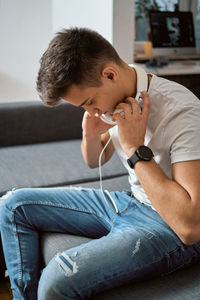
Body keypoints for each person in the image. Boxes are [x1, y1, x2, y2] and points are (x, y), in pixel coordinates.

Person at [1, 27, 200, 300]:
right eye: (82, 107)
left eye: (90, 102)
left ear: (110, 74)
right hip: (130, 201)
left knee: (56, 280)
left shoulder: (182, 110)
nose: (92, 111)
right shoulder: (118, 96)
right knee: (12, 205)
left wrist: (135, 149)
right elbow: (94, 161)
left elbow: (190, 228)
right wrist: (90, 135)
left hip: (167, 226)